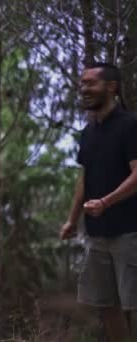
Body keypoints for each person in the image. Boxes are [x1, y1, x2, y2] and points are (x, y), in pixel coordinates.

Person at [60, 62, 137, 342]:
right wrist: (72, 219)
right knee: (107, 307)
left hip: (130, 232)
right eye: (82, 84)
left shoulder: (131, 125)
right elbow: (84, 180)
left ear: (111, 87)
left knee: (134, 304)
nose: (83, 89)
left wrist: (106, 202)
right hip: (97, 235)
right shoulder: (88, 133)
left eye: (90, 83)